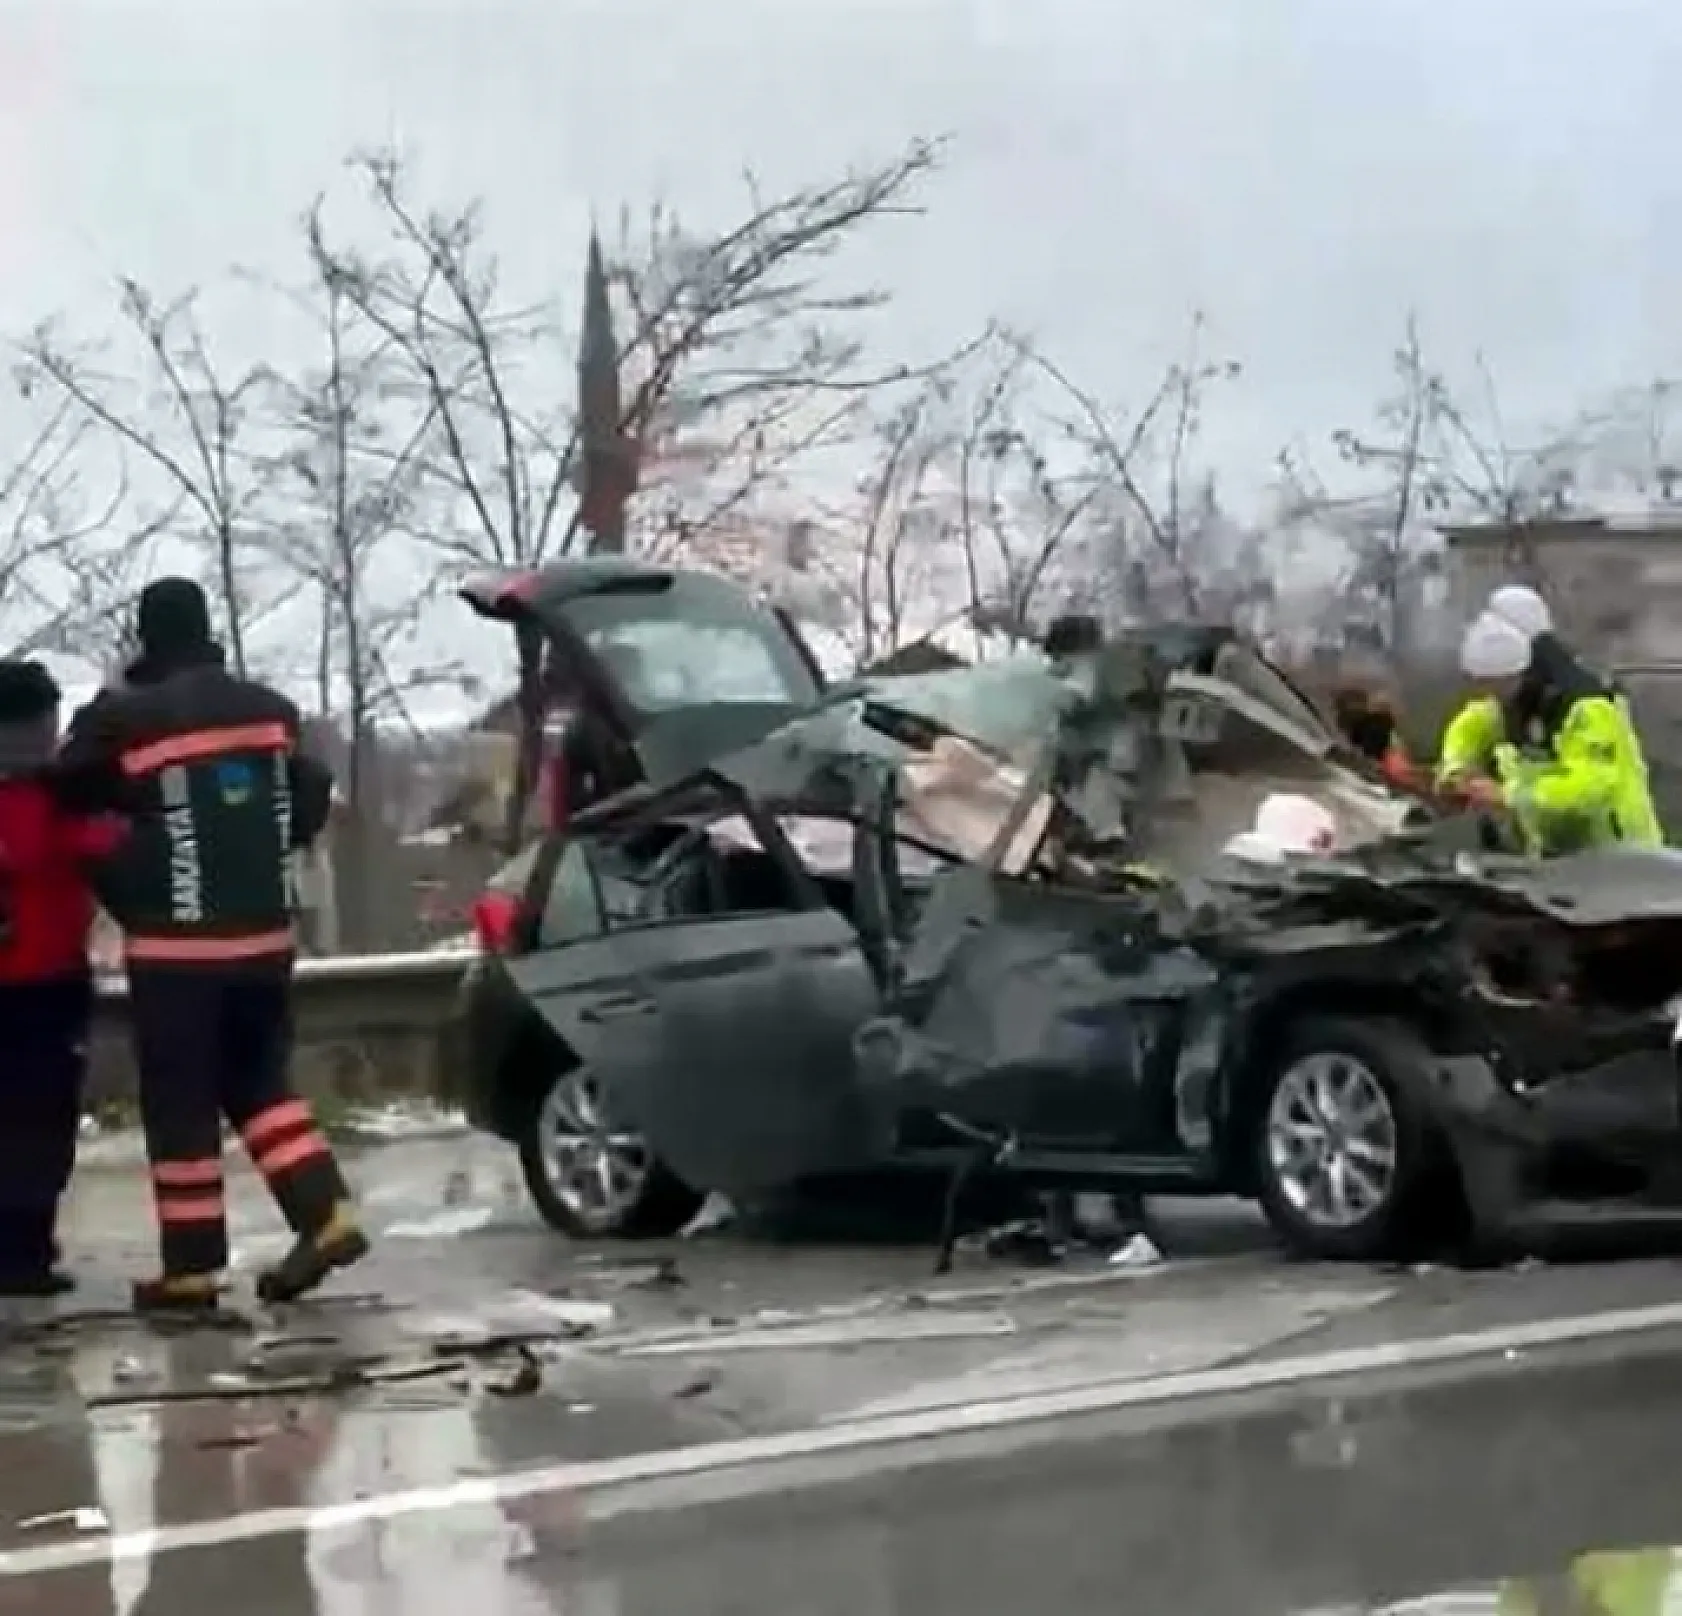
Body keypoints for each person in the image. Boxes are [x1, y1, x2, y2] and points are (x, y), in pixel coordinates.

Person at [59, 578, 368, 1313]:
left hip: (178, 950)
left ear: (147, 638)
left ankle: (192, 1271)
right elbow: (310, 787)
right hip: (264, 938)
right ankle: (325, 1213)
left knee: (181, 1103)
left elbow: (70, 778)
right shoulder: (270, 711)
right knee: (259, 1083)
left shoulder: (130, 718)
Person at [0, 660, 123, 1296]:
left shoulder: (56, 790)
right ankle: (21, 1255)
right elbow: (104, 846)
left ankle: (22, 1250)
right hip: (44, 982)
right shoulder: (55, 796)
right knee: (39, 1123)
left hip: (46, 976)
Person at [1438, 607, 1661, 853]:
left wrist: (1509, 795)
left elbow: (1591, 785)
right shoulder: (1511, 698)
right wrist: (1456, 769)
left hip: (1618, 847)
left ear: (1514, 674)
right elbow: (1471, 727)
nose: (1489, 697)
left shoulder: (1584, 707)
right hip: (1560, 849)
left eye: (1492, 686)